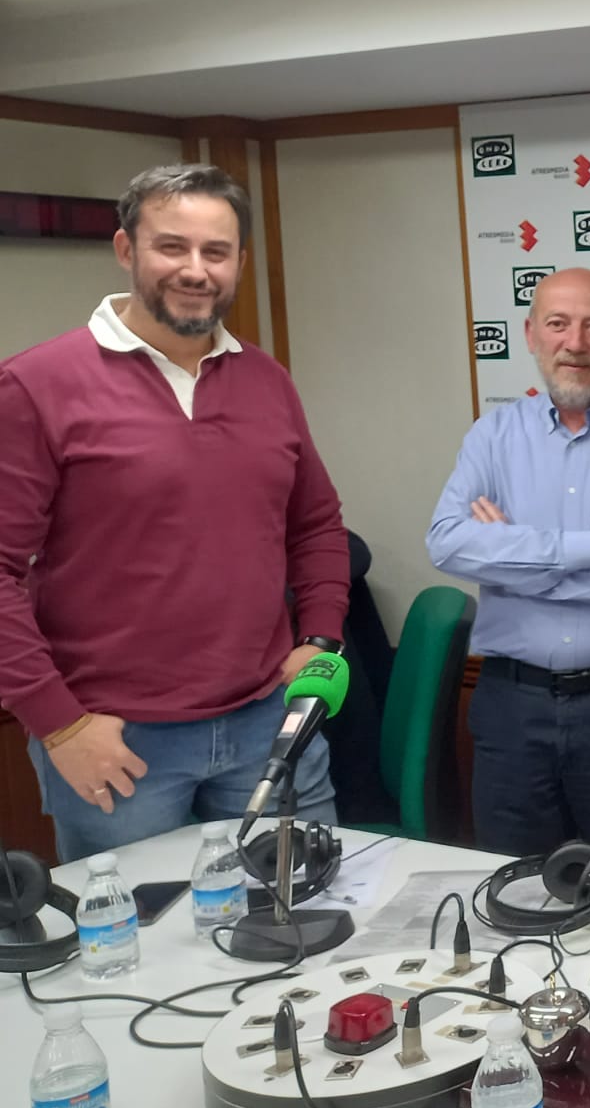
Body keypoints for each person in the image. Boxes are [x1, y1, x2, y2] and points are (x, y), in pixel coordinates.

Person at [0, 163, 346, 861]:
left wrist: (320, 636)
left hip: (267, 723)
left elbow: (315, 524)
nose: (195, 270)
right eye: (171, 247)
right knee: (142, 929)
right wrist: (59, 725)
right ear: (126, 249)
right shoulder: (36, 385)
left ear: (239, 261)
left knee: (309, 910)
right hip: (116, 742)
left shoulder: (266, 379)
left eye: (216, 252)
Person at [428, 268, 590, 879]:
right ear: (530, 335)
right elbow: (447, 543)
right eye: (558, 324)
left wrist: (508, 556)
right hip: (512, 711)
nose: (575, 342)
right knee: (514, 893)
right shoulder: (492, 436)